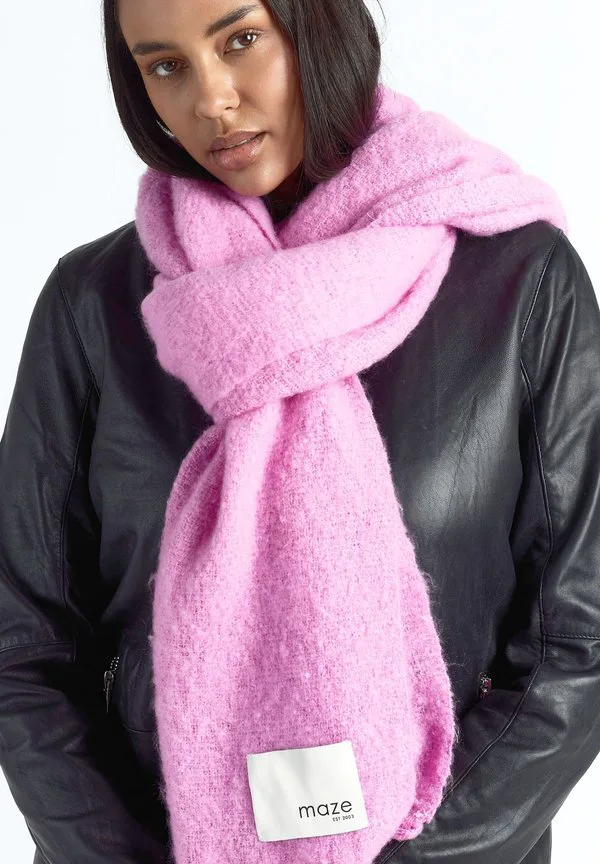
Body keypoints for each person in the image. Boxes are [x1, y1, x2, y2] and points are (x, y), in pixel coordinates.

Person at [1, 1, 600, 863]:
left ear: (319, 24)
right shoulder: (94, 306)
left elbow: (574, 640)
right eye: (165, 66)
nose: (211, 99)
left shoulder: (521, 282)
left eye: (241, 40)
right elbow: (23, 639)